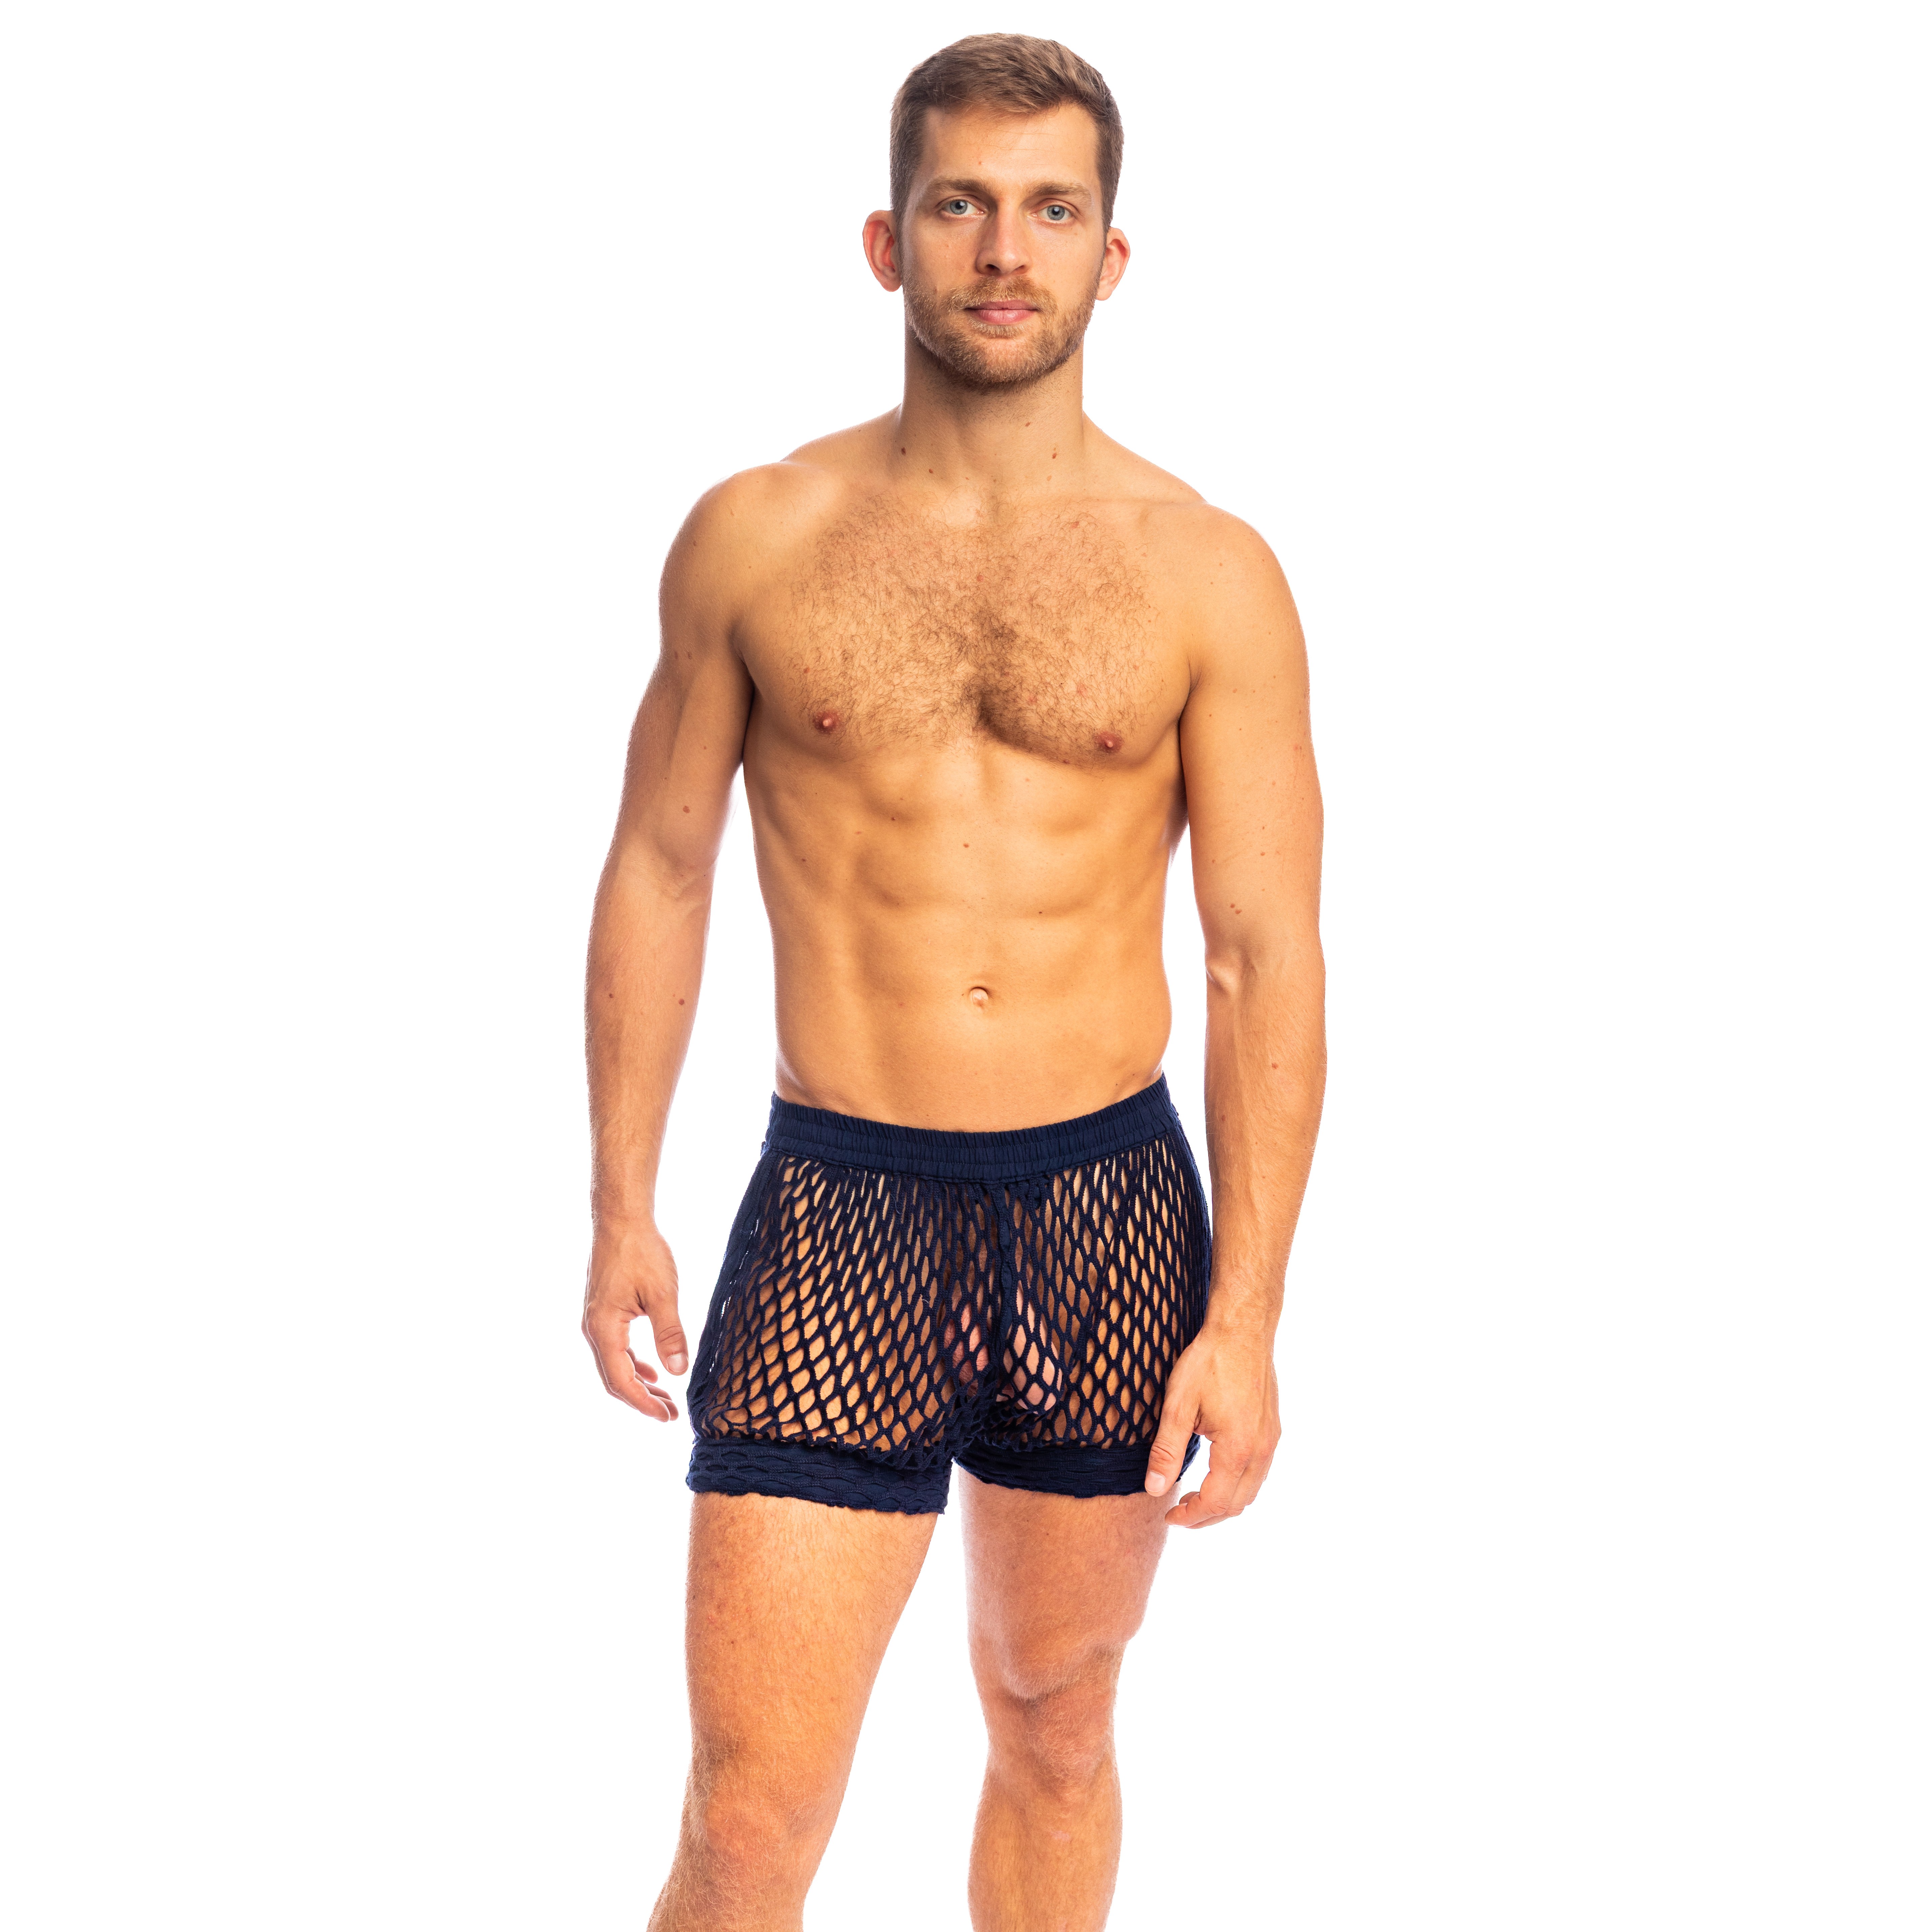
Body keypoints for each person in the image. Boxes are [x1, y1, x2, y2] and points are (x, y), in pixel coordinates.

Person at [582, 33, 1324, 1931]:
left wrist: (1248, 1315)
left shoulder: (1210, 571)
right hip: (840, 1208)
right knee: (749, 1817)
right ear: (886, 239)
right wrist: (621, 1202)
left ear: (1112, 255)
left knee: (1057, 1722)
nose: (1006, 251)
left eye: (1052, 210)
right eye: (962, 206)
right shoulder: (758, 536)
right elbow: (661, 866)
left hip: (1106, 1210)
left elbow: (1262, 956)